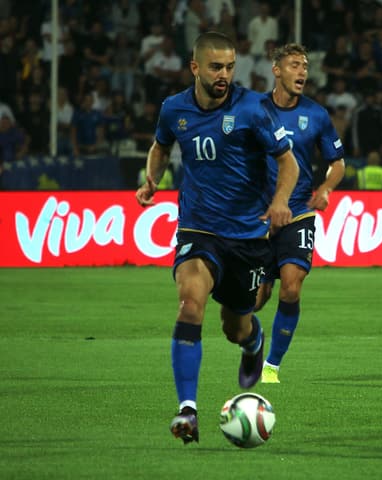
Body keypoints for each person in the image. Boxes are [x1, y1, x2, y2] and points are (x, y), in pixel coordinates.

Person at [135, 31, 299, 445]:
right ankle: (187, 411)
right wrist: (152, 177)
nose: (224, 74)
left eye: (229, 67)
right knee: (190, 302)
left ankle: (253, 340)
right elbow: (160, 146)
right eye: (215, 67)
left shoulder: (254, 109)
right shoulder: (174, 109)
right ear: (195, 67)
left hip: (247, 237)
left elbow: (289, 164)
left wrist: (280, 202)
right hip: (198, 227)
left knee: (234, 325)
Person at [253, 43, 345, 384]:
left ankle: (272, 367)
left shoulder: (317, 115)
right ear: (277, 71)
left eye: (305, 65)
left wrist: (326, 189)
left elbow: (338, 163)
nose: (302, 71)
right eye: (294, 65)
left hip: (298, 213)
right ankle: (253, 343)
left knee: (291, 287)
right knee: (256, 300)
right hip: (257, 216)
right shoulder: (254, 109)